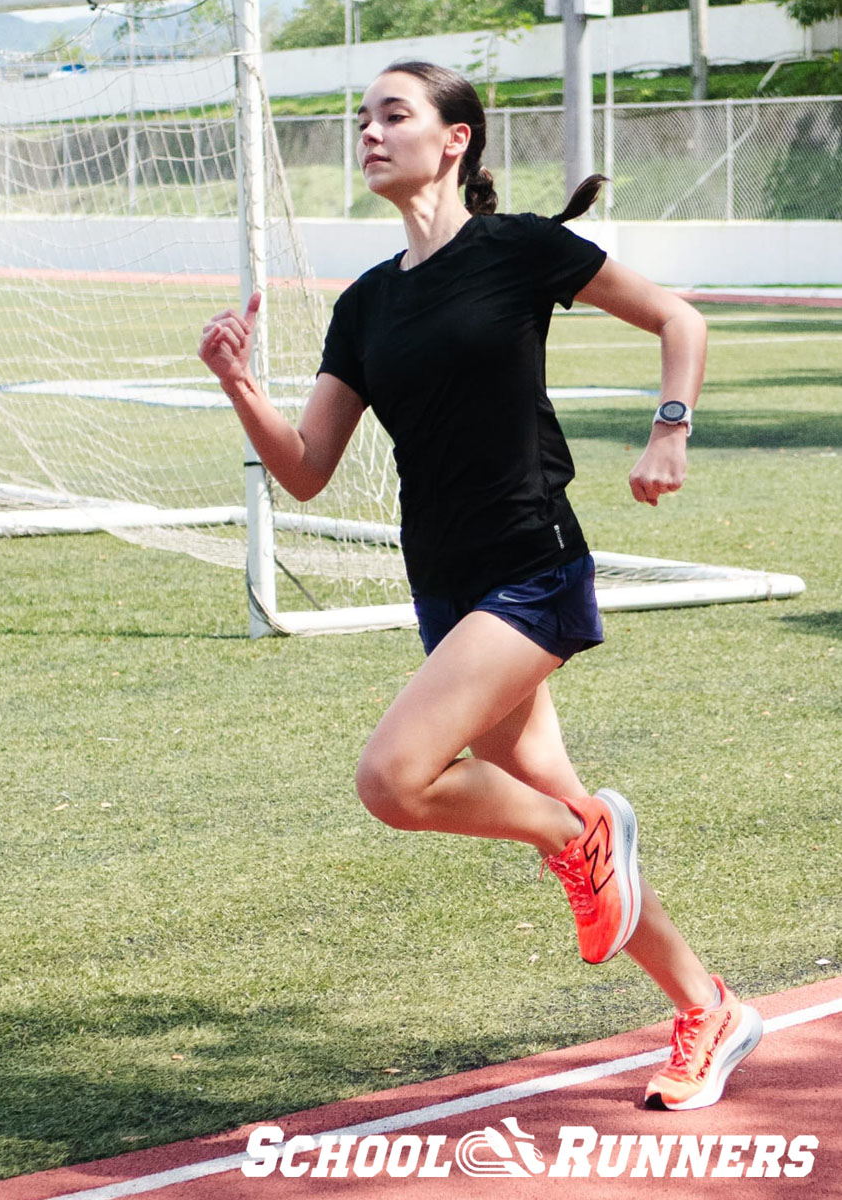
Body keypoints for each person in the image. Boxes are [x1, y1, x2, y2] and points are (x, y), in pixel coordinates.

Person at [199, 60, 762, 1110]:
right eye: (362, 118)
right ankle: (707, 1004)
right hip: (443, 588)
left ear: (455, 140)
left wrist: (669, 436)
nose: (369, 131)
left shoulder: (517, 252)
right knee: (562, 808)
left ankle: (576, 835)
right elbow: (307, 470)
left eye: (393, 115)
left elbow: (679, 321)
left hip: (530, 566)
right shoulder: (368, 305)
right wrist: (238, 385)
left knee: (396, 779)